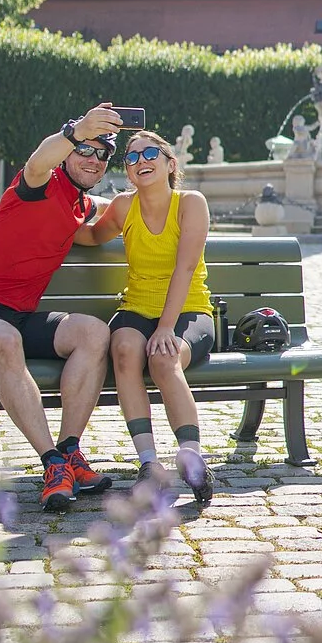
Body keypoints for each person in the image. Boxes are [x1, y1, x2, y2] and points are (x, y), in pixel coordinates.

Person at [0, 103, 122, 512]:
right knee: (6, 339)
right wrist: (75, 130)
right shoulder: (39, 183)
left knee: (94, 332)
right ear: (70, 151)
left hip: (19, 318)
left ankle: (70, 451)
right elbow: (40, 160)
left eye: (102, 154)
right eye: (84, 150)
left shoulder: (81, 207)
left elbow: (104, 228)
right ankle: (52, 463)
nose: (92, 160)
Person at [93, 130, 214, 506]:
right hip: (136, 308)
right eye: (131, 157)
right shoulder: (123, 207)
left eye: (149, 153)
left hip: (189, 311)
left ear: (169, 163)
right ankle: (148, 463)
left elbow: (186, 267)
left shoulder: (191, 203)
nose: (140, 161)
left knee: (164, 358)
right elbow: (91, 236)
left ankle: (191, 456)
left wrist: (165, 327)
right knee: (125, 350)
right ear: (128, 171)